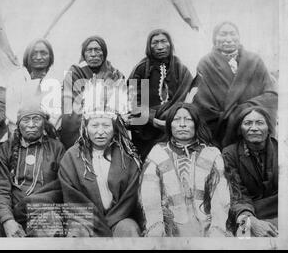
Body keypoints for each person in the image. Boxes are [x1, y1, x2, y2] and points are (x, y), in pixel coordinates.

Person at [59, 79, 142, 237]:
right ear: (85, 127)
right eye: (95, 125)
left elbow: (130, 198)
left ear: (114, 128)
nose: (100, 132)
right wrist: (98, 225)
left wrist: (109, 222)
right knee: (77, 232)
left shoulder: (128, 156)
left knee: (129, 229)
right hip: (84, 220)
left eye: (106, 125)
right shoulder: (72, 157)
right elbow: (72, 199)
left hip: (119, 218)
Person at [140, 103, 230, 237]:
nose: (182, 124)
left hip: (206, 227)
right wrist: (156, 226)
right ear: (170, 125)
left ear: (197, 124)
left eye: (188, 119)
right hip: (168, 228)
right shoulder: (158, 153)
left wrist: (217, 228)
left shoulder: (211, 153)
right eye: (176, 120)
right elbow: (149, 196)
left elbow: (220, 195)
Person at [0, 103, 66, 237]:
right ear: (19, 124)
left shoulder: (57, 148)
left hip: (43, 211)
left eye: (36, 119)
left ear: (44, 123)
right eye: (26, 120)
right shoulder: (6, 149)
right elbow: (2, 189)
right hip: (11, 210)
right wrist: (7, 220)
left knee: (49, 227)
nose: (31, 124)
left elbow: (61, 188)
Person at [193, 21, 277, 148]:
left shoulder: (254, 60)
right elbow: (203, 104)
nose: (228, 39)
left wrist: (241, 111)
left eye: (232, 34)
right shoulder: (206, 63)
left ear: (239, 36)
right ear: (214, 38)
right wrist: (229, 119)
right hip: (222, 131)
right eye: (223, 34)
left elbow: (271, 96)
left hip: (254, 124)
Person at [128, 29, 193, 161]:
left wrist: (172, 121)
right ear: (149, 46)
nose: (160, 47)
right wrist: (155, 121)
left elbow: (189, 98)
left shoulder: (180, 69)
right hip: (147, 129)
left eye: (163, 41)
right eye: (155, 43)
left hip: (176, 125)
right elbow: (135, 103)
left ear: (170, 44)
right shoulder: (141, 70)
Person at [60, 35, 124, 149]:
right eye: (89, 50)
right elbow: (69, 104)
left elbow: (120, 105)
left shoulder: (115, 75)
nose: (93, 54)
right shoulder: (74, 73)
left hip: (109, 129)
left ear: (104, 53)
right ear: (83, 54)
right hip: (81, 128)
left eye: (97, 50)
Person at [223, 107, 278, 237]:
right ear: (240, 129)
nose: (254, 128)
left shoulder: (282, 150)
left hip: (279, 212)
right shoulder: (229, 154)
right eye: (247, 123)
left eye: (259, 123)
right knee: (244, 236)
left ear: (269, 127)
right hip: (246, 213)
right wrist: (251, 221)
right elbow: (236, 195)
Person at [6, 38, 61, 131]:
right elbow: (11, 111)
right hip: (20, 131)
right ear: (27, 56)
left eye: (43, 53)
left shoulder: (57, 79)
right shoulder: (16, 78)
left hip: (48, 132)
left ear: (50, 56)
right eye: (34, 53)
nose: (39, 57)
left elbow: (56, 114)